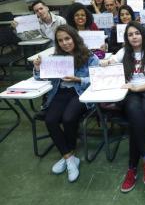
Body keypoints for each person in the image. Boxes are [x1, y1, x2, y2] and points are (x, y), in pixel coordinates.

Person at [32, 25, 99, 182]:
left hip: (79, 93)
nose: (65, 43)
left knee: (68, 118)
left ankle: (68, 155)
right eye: (60, 40)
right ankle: (69, 158)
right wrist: (37, 68)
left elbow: (97, 80)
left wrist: (78, 79)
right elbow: (41, 78)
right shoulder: (55, 58)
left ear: (74, 38)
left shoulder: (90, 57)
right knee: (51, 120)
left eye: (67, 39)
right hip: (60, 92)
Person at [101, 21, 145, 192]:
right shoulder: (123, 52)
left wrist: (137, 87)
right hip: (128, 93)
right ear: (126, 38)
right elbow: (109, 62)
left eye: (137, 33)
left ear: (143, 35)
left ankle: (132, 169)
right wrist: (105, 62)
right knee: (135, 111)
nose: (134, 37)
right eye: (130, 34)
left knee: (136, 119)